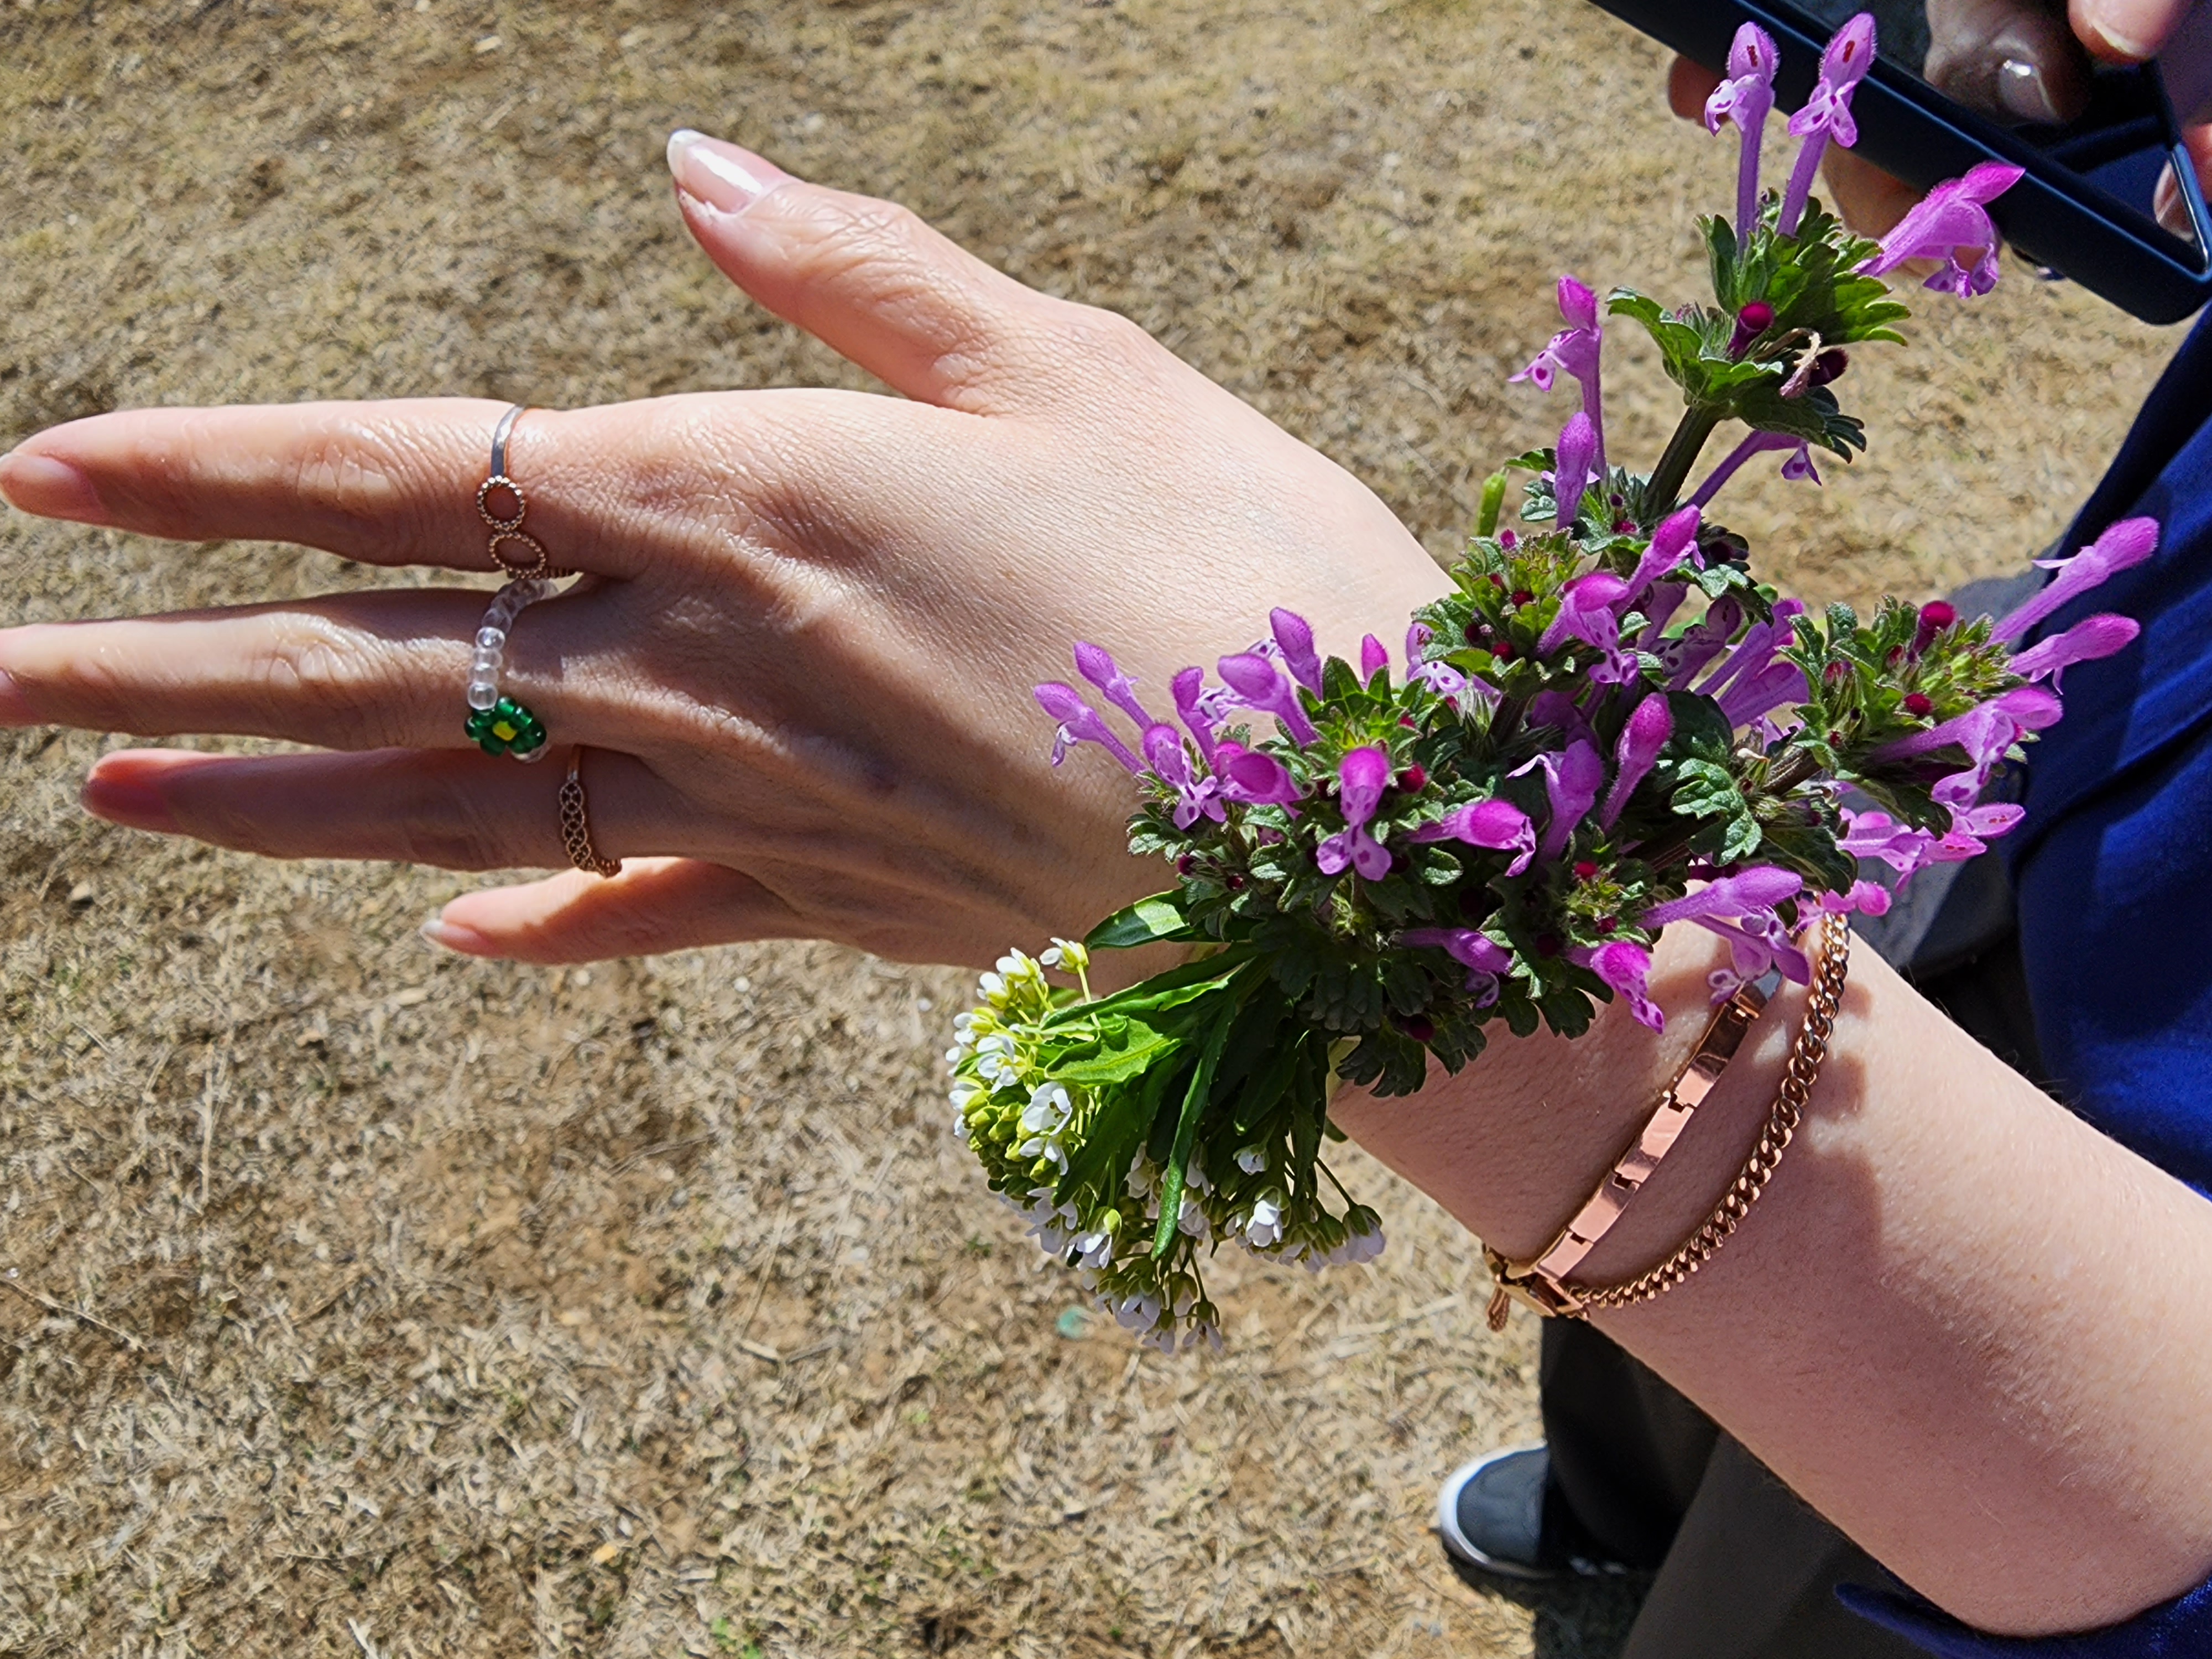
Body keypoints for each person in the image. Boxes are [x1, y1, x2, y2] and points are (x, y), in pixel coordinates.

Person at [2, 6, 2210, 1648]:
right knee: (1688, 1376)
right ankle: (1629, 1504)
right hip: (2072, 819)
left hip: (2066, 1426)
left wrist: (1462, 1015)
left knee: (1800, 1573)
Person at [1432, 1, 2212, 1653]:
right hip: (2103, 711)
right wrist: (2152, 96)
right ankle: (1618, 1503)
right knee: (1716, 1034)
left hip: (2171, 1107)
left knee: (1853, 1473)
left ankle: (1698, 1576)